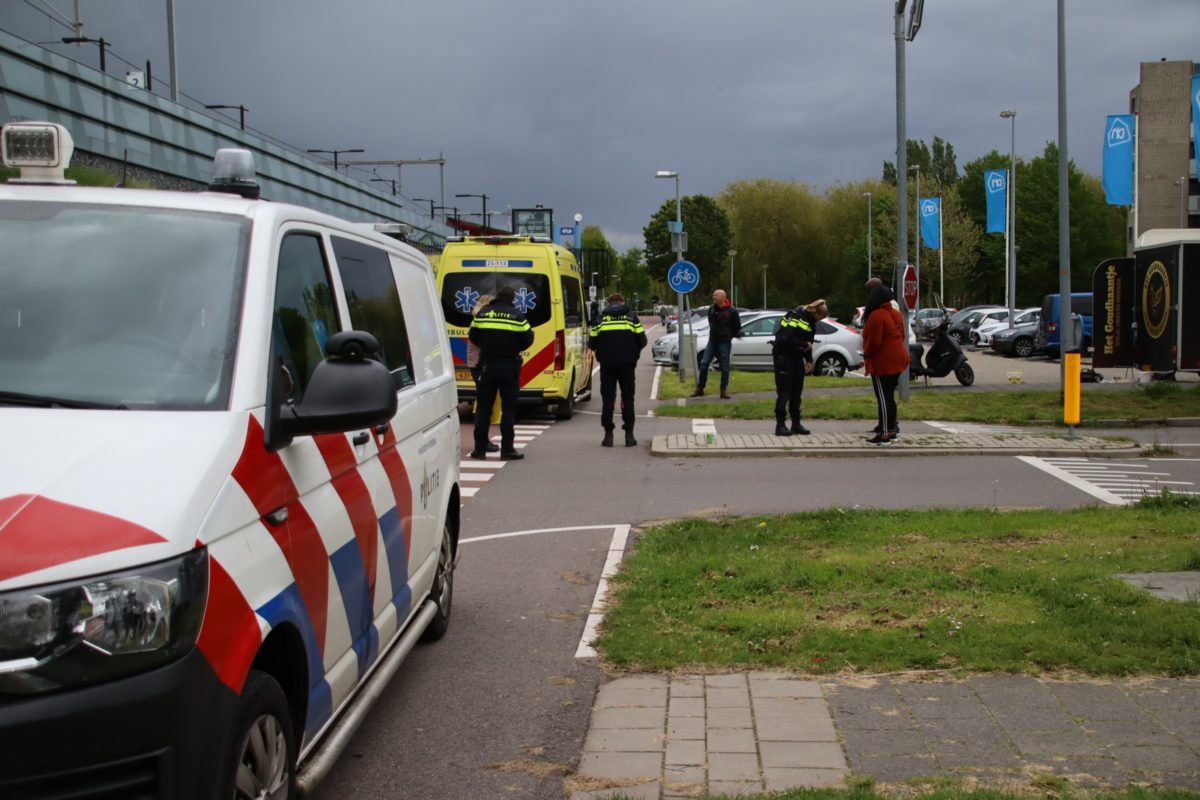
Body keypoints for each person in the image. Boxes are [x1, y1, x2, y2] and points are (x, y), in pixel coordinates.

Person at [468, 287, 533, 460]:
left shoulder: (482, 314)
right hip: (508, 366)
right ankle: (507, 449)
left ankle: (480, 449)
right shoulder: (517, 316)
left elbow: (473, 335)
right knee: (508, 410)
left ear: (497, 298)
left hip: (487, 365)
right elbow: (528, 339)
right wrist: (513, 348)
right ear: (512, 299)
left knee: (483, 409)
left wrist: (487, 346)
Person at [588, 292, 647, 447]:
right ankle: (629, 435)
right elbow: (643, 340)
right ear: (622, 302)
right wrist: (632, 351)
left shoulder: (601, 319)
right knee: (628, 399)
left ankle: (608, 436)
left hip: (607, 365)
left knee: (608, 399)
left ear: (609, 304)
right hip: (628, 365)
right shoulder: (631, 318)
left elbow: (591, 343)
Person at [861, 283, 909, 445]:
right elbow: (901, 336)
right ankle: (892, 430)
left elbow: (874, 342)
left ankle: (884, 433)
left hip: (884, 363)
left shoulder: (877, 315)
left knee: (883, 397)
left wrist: (866, 353)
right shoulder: (895, 314)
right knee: (889, 397)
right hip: (899, 359)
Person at [772, 298, 827, 436]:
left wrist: (809, 359)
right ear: (815, 312)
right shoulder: (794, 316)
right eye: (819, 317)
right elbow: (786, 337)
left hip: (796, 357)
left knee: (797, 391)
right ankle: (780, 425)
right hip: (783, 356)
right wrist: (804, 345)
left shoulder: (811, 322)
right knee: (784, 392)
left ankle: (796, 424)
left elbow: (809, 342)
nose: (818, 321)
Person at [465, 294, 500, 453]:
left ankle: (483, 440)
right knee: (484, 405)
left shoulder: (478, 319)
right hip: (480, 364)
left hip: (478, 364)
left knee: (485, 404)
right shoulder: (480, 320)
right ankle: (481, 442)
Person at [691, 289, 741, 399]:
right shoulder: (712, 308)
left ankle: (723, 390)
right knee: (704, 363)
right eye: (713, 295)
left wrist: (729, 335)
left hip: (724, 341)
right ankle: (700, 388)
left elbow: (737, 326)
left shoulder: (732, 311)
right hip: (712, 340)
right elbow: (711, 322)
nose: (713, 297)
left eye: (715, 295)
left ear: (723, 297)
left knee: (724, 366)